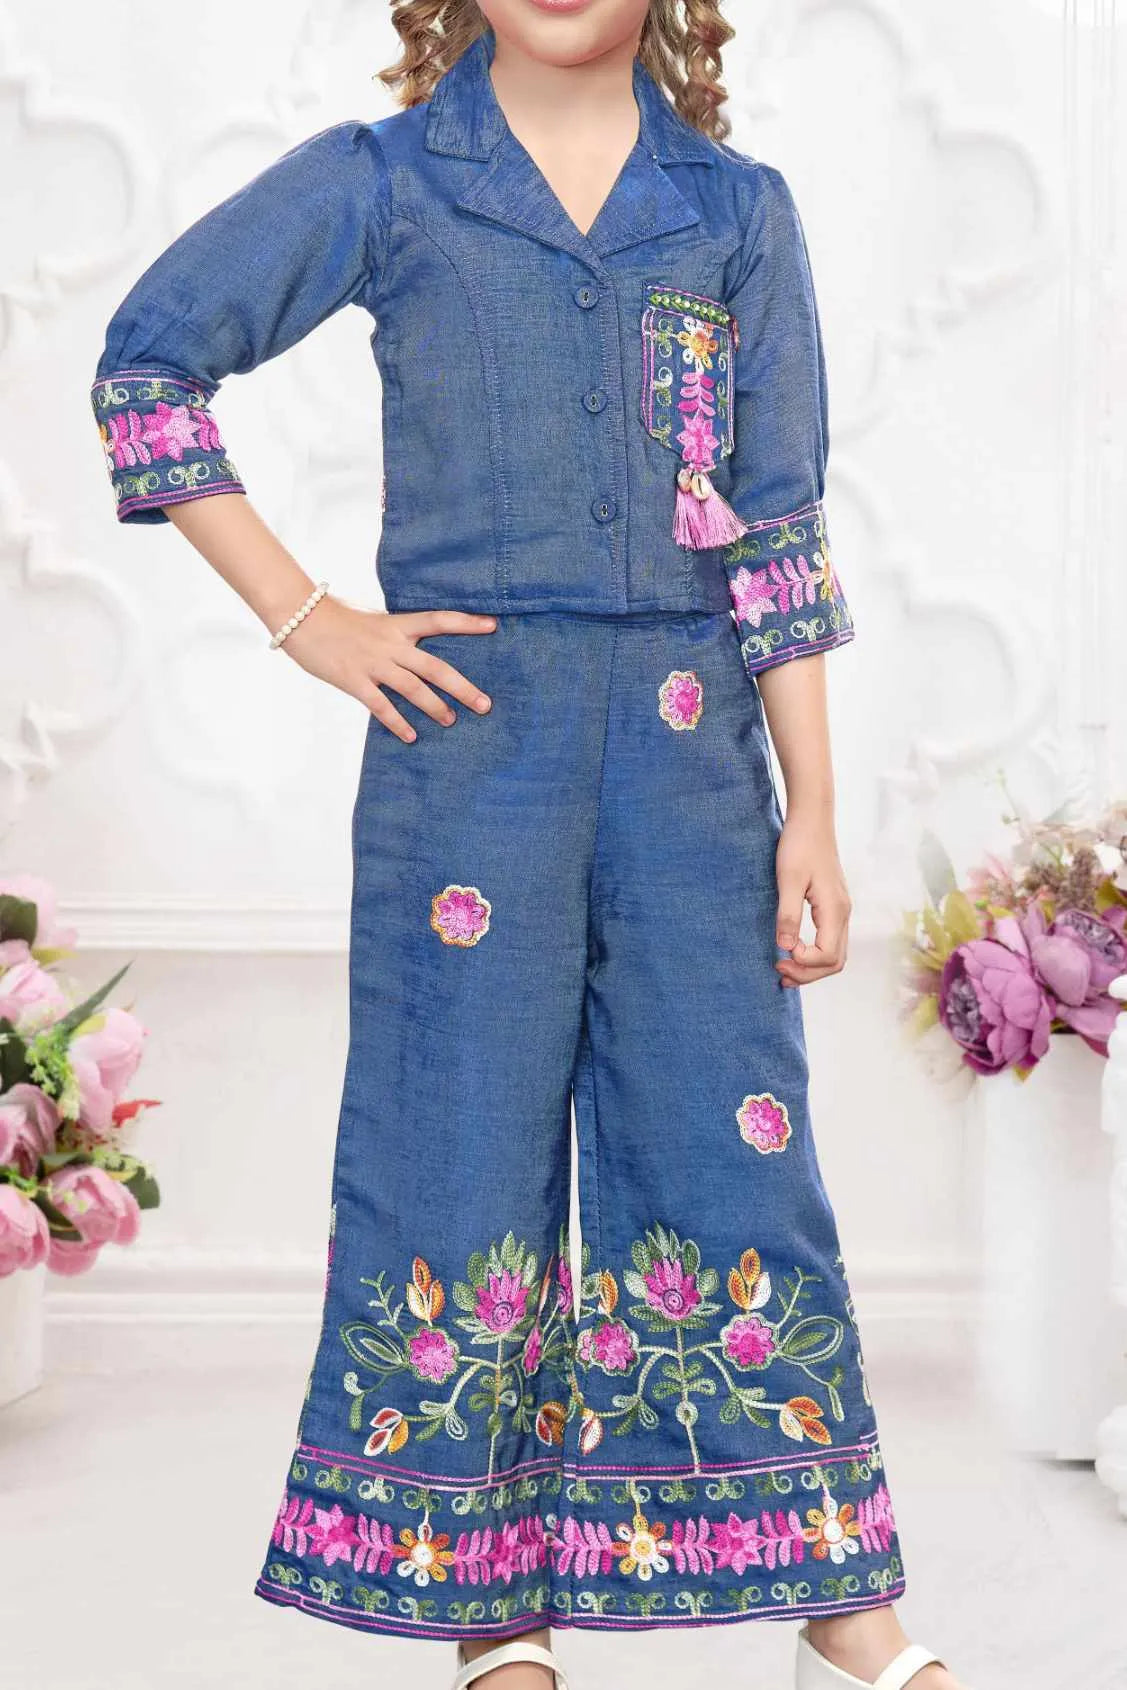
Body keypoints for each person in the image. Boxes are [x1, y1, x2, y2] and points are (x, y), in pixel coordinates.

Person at [88, 4, 968, 1688]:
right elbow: (146, 365)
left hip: (695, 760)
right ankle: (493, 1610)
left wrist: (816, 809)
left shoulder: (736, 213)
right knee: (456, 1146)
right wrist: (311, 619)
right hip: (469, 760)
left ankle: (835, 1589)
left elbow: (778, 527)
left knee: (734, 1143)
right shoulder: (388, 180)